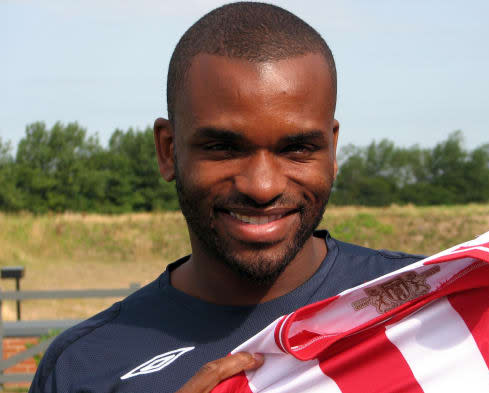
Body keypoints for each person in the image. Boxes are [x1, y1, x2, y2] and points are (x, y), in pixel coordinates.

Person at [29, 3, 422, 393]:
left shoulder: (432, 307)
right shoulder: (83, 368)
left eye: (297, 148)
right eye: (223, 147)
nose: (263, 187)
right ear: (168, 151)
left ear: (332, 151)